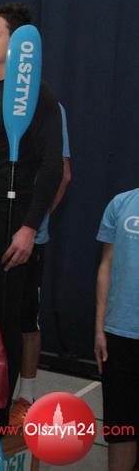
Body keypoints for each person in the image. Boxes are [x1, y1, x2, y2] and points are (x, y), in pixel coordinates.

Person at [0, 3, 63, 468]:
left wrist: (28, 226)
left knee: (5, 318)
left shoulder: (37, 94)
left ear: (18, 44)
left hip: (12, 224)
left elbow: (50, 167)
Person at [9, 104, 72, 424]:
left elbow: (62, 173)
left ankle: (26, 395)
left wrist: (34, 223)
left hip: (27, 236)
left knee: (26, 318)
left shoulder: (46, 105)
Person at [95, 187, 139, 471]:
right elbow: (106, 266)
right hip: (119, 334)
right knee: (122, 429)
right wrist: (100, 328)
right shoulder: (121, 203)